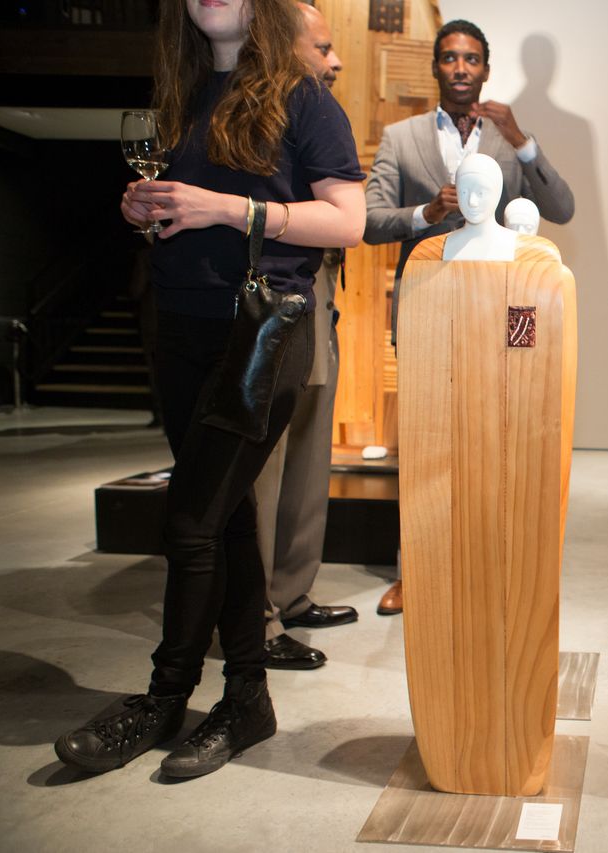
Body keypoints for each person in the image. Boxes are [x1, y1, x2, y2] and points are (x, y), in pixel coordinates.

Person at [55, 0, 364, 777]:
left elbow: (347, 221)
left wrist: (225, 209)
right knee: (226, 519)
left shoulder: (303, 99)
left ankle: (163, 696)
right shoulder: (185, 96)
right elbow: (180, 213)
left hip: (261, 332)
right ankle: (246, 697)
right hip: (180, 325)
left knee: (190, 521)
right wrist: (145, 208)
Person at [363, 17, 574, 616]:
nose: (461, 68)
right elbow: (369, 221)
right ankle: (414, 572)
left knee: (497, 439)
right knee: (422, 443)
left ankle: (489, 564)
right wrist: (426, 214)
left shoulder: (508, 140)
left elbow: (561, 207)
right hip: (425, 308)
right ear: (436, 66)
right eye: (451, 58)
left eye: (472, 59)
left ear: (486, 68)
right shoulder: (401, 137)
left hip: (497, 315)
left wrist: (524, 141)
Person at [253, 1, 357, 672]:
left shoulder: (317, 112)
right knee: (263, 465)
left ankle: (291, 593)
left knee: (310, 450)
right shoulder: (252, 115)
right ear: (283, 46)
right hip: (269, 298)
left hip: (317, 292)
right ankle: (254, 617)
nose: (336, 60)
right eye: (322, 48)